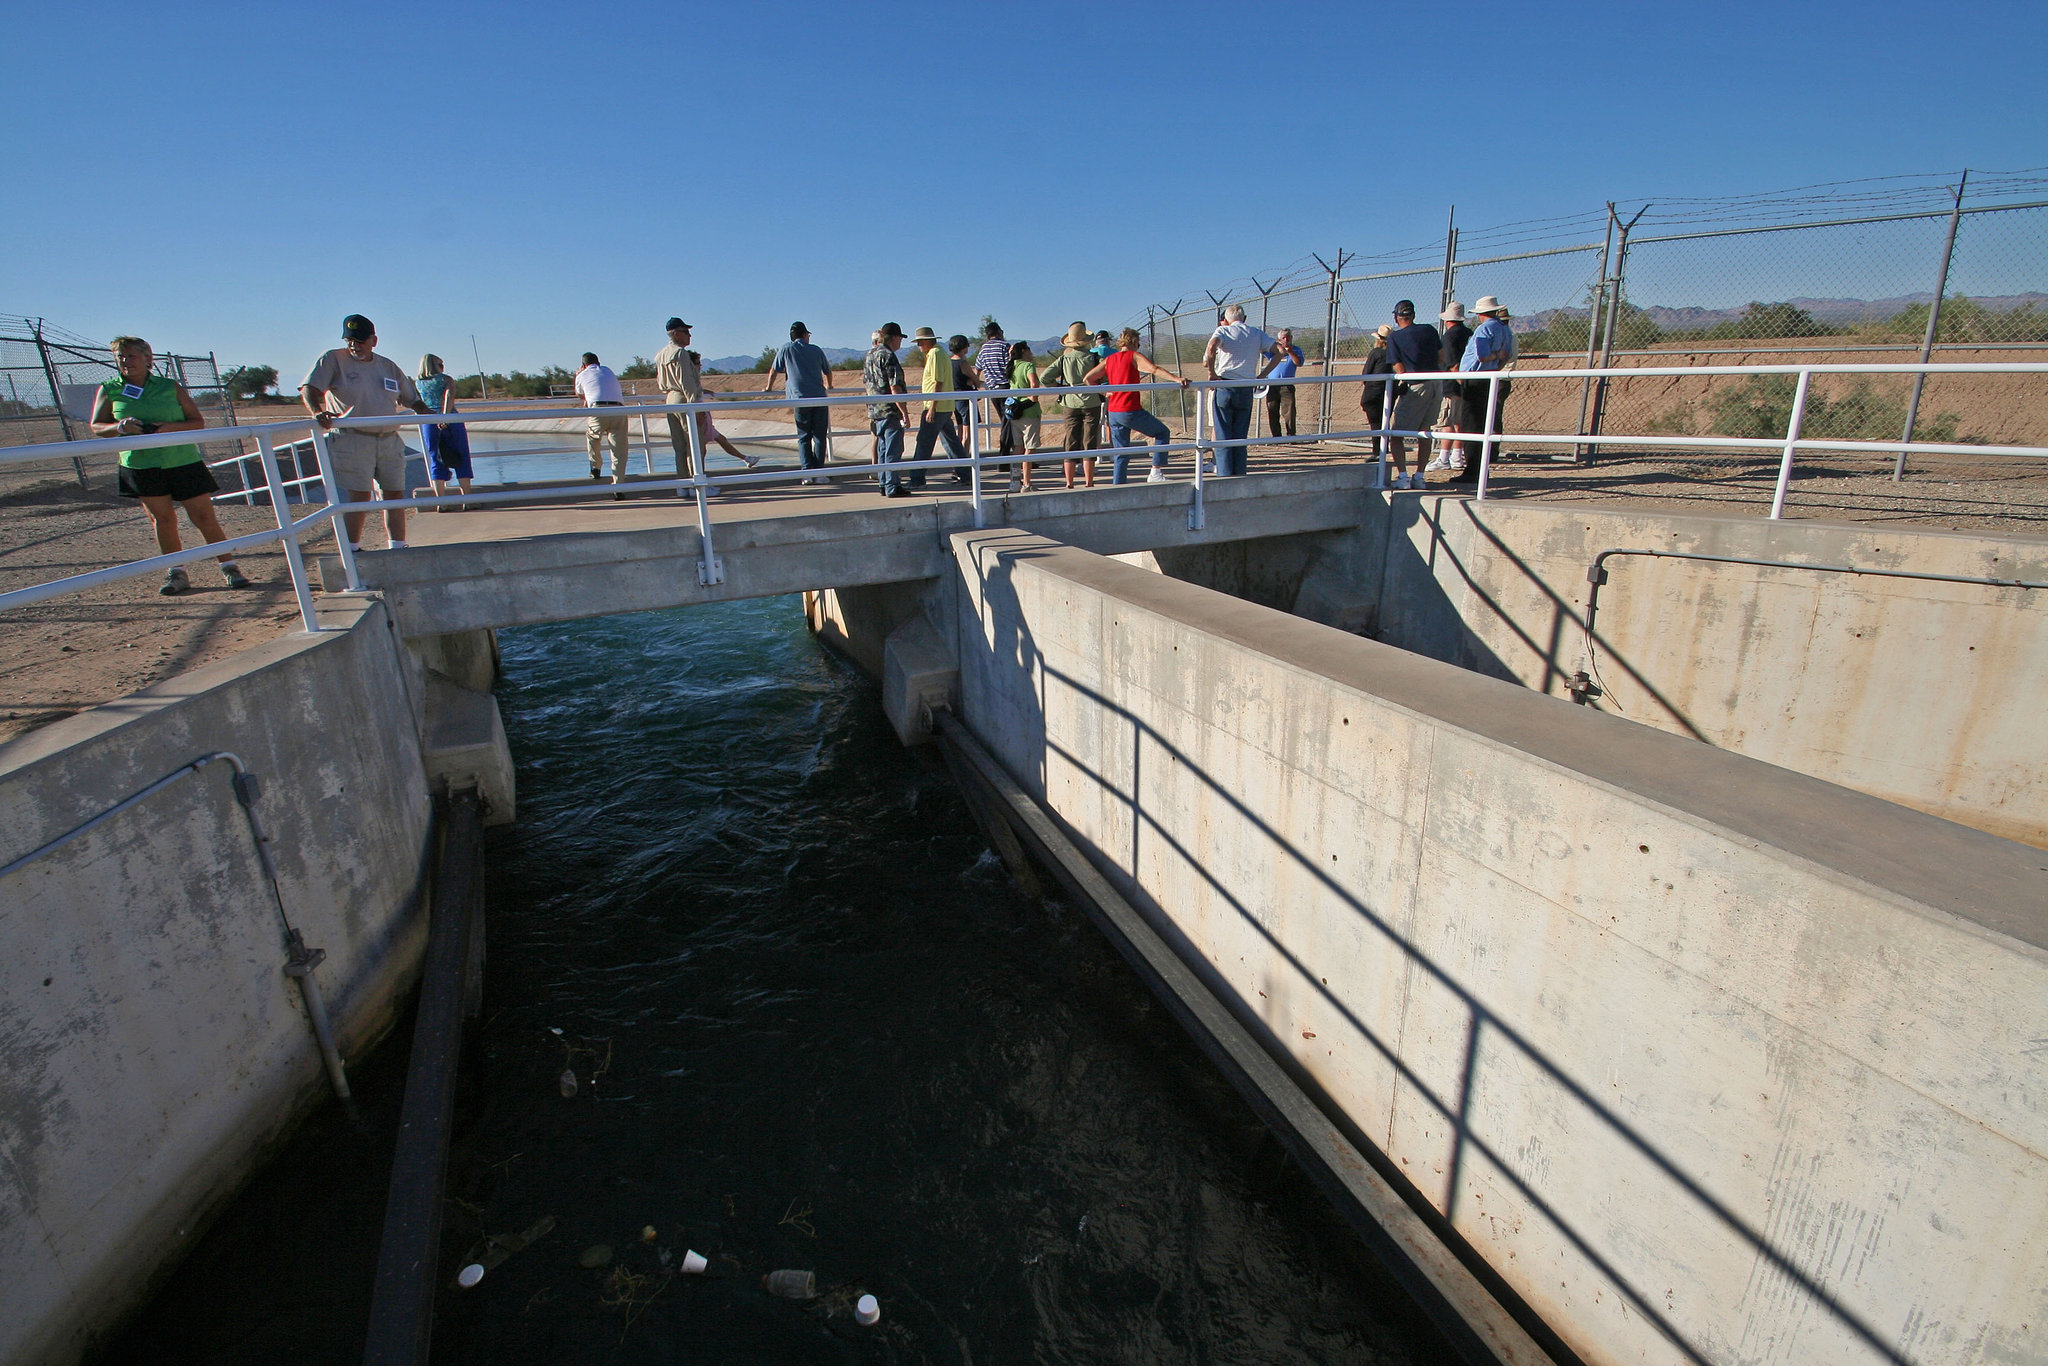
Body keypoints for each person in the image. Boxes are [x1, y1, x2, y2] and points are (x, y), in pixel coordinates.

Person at [91, 335, 249, 594]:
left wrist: (168, 428)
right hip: (141, 464)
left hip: (182, 461)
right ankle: (176, 573)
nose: (125, 361)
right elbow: (97, 426)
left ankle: (229, 567)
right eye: (120, 356)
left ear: (147, 359)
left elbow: (197, 421)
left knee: (203, 517)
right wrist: (119, 426)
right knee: (163, 520)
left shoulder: (169, 386)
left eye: (131, 355)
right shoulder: (109, 389)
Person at [301, 314, 431, 552]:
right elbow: (310, 388)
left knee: (394, 494)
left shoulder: (387, 366)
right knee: (360, 496)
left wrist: (428, 412)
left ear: (374, 340)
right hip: (354, 438)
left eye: (360, 340)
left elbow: (410, 397)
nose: (354, 345)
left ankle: (398, 546)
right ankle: (352, 549)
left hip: (388, 439)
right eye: (350, 340)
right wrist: (317, 411)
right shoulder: (333, 359)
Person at [1084, 328, 1190, 485]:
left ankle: (1118, 486)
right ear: (1134, 342)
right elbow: (1154, 369)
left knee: (1121, 453)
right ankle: (1156, 471)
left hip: (1113, 411)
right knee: (1162, 432)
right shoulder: (1134, 356)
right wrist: (1176, 379)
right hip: (1129, 409)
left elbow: (1088, 378)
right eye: (1138, 344)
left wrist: (1104, 393)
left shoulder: (1110, 359)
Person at [1201, 304, 1277, 475]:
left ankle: (1225, 476)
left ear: (1226, 319)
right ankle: (1239, 475)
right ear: (1244, 318)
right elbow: (1279, 350)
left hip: (1225, 386)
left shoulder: (1223, 331)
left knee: (1223, 436)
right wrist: (1263, 375)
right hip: (1246, 388)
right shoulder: (1256, 333)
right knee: (1240, 436)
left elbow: (1212, 347)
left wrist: (1212, 373)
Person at [1381, 300, 1443, 489]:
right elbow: (1442, 357)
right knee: (1425, 431)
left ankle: (1403, 477)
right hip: (1436, 383)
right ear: (1413, 315)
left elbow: (1398, 367)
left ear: (1396, 317)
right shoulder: (1429, 330)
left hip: (1416, 386)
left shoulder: (1395, 338)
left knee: (1397, 433)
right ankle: (1420, 476)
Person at [1456, 296, 1516, 484]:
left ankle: (1472, 469)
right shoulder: (1505, 330)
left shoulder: (1484, 329)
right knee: (1483, 422)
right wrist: (1496, 365)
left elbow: (1481, 355)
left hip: (1475, 379)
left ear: (1480, 313)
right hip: (1490, 376)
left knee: (1471, 424)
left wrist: (1492, 357)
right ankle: (1481, 468)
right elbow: (1506, 356)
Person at [766, 321, 834, 483]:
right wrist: (829, 386)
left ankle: (807, 472)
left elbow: (774, 370)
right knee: (819, 436)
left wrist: (768, 387)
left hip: (799, 399)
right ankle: (818, 472)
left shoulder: (786, 349)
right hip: (818, 397)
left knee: (804, 436)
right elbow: (828, 371)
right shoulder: (816, 350)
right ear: (804, 335)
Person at [1040, 322, 1102, 488]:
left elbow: (1045, 378)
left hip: (1070, 402)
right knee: (1090, 441)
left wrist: (1060, 388)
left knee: (1071, 441)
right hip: (1092, 401)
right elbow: (1104, 379)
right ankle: (1089, 481)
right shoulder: (1094, 358)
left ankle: (1069, 482)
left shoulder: (1064, 359)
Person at [910, 326, 968, 489]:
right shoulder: (940, 353)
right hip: (944, 405)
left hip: (936, 406)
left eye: (920, 342)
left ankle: (917, 478)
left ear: (928, 341)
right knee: (952, 442)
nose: (918, 346)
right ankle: (965, 474)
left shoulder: (935, 354)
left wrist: (932, 407)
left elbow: (938, 381)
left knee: (924, 442)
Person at [416, 354, 472, 509]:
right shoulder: (446, 380)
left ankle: (441, 502)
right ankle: (467, 499)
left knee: (436, 458)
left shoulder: (418, 383)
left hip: (428, 421)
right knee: (461, 456)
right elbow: (449, 396)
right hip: (450, 420)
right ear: (434, 366)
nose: (442, 368)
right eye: (440, 365)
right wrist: (445, 416)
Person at [862, 323, 912, 497]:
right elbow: (895, 386)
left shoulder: (870, 354)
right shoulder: (889, 355)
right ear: (894, 337)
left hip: (875, 411)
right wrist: (904, 412)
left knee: (883, 449)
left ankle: (884, 484)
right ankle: (892, 486)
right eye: (900, 338)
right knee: (893, 450)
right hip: (890, 411)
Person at [1426, 304, 1472, 477]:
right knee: (1459, 420)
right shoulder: (1468, 334)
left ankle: (1444, 457)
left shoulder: (1449, 337)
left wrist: (1459, 380)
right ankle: (1457, 455)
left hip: (1452, 384)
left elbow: (1453, 363)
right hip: (1463, 382)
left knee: (1447, 421)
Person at [575, 352, 631, 493]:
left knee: (592, 436)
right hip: (619, 410)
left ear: (583, 365)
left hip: (598, 410)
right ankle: (618, 486)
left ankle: (596, 467)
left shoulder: (581, 375)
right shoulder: (608, 370)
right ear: (598, 363)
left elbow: (579, 393)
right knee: (619, 450)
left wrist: (578, 375)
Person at [655, 318, 703, 479]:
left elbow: (661, 382)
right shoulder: (680, 353)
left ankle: (683, 483)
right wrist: (695, 406)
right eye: (685, 332)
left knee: (679, 446)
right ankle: (697, 481)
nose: (689, 335)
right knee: (694, 443)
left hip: (670, 399)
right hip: (683, 399)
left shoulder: (660, 354)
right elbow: (686, 381)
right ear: (676, 334)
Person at [974, 319, 1014, 460]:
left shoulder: (983, 348)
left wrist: (975, 385)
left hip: (992, 389)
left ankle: (1014, 455)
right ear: (998, 332)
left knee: (1006, 420)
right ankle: (1004, 457)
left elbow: (977, 369)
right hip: (1005, 387)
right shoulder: (1005, 346)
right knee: (1008, 421)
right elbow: (1009, 366)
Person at [1007, 341, 1042, 491]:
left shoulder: (1011, 366)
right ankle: (1027, 483)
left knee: (1018, 447)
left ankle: (1015, 481)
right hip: (1029, 412)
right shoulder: (1028, 366)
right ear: (1024, 351)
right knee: (1030, 448)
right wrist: (1032, 396)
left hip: (1015, 411)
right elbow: (1034, 384)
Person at [1260, 328, 1304, 439]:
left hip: (1287, 385)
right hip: (1272, 385)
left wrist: (1290, 351)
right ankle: (1276, 437)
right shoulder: (1274, 351)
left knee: (1289, 412)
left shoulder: (1296, 350)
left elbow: (1298, 363)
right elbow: (1262, 350)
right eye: (1283, 338)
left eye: (1288, 337)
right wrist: (1276, 345)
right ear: (1279, 339)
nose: (1286, 340)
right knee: (1272, 410)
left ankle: (1291, 436)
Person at [1359, 325, 1393, 461]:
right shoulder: (1394, 354)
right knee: (1384, 421)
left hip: (1374, 391)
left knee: (1375, 423)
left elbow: (1366, 374)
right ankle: (1382, 449)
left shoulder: (1376, 353)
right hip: (1389, 391)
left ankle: (1378, 451)